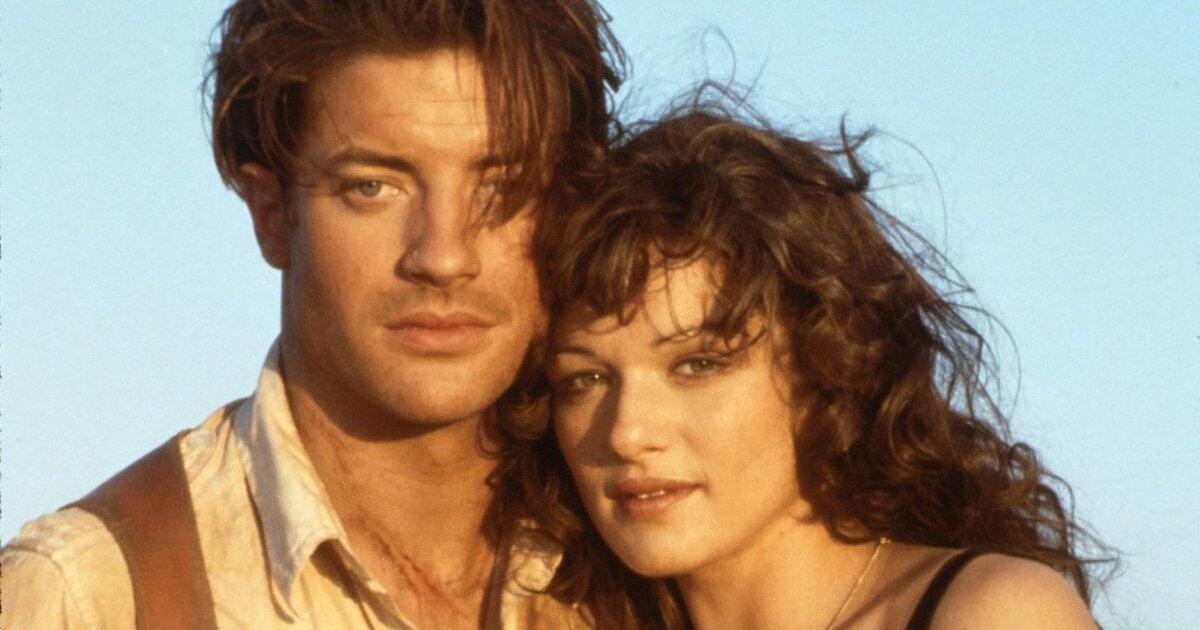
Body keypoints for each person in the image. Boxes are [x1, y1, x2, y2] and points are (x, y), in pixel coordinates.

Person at [0, 1, 628, 629]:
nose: (443, 257)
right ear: (271, 213)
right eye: (372, 187)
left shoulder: (646, 560)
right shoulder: (89, 594)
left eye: (504, 188)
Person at [535, 100, 1112, 630]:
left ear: (825, 366)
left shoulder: (992, 614)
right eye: (585, 379)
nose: (627, 433)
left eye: (697, 365)